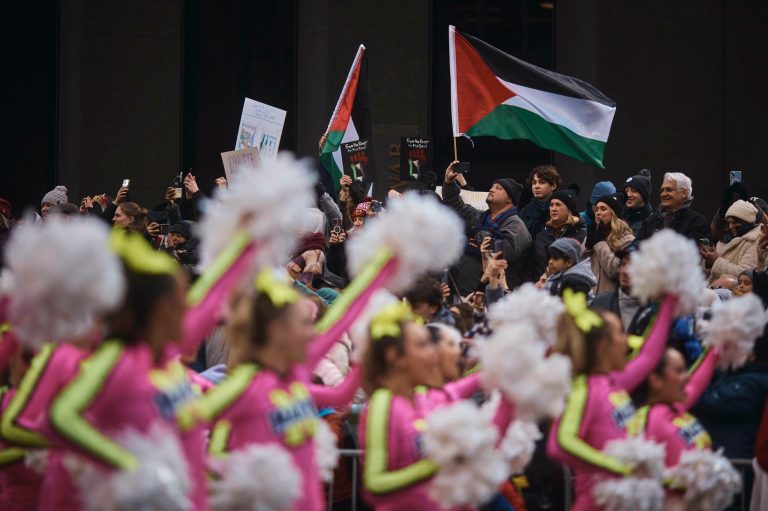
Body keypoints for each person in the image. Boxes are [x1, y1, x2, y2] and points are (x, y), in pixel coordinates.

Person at [178, 271, 361, 511]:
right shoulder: (245, 385)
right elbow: (189, 425)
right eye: (305, 324)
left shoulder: (293, 381)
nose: (313, 333)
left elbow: (341, 396)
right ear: (277, 332)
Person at [359, 302, 513, 511]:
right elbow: (375, 482)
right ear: (396, 357)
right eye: (421, 346)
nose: (432, 354)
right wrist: (441, 462)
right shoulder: (384, 402)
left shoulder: (421, 399)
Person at [547, 290, 677, 511]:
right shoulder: (584, 388)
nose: (626, 340)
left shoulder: (612, 383)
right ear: (603, 345)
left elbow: (649, 355)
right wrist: (621, 468)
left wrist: (670, 298)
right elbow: (559, 444)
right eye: (619, 333)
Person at [442, 161, 531, 294]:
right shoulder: (481, 217)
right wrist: (449, 182)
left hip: (490, 294)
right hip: (460, 287)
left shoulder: (516, 226)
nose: (491, 189)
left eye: (498, 188)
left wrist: (476, 233)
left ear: (510, 200)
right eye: (492, 186)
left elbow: (503, 253)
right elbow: (456, 204)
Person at [526, 186, 587, 284]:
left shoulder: (581, 234)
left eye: (558, 205)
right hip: (540, 290)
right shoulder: (542, 236)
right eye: (551, 205)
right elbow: (530, 269)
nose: (553, 209)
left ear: (569, 209)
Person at [585, 193, 636, 295]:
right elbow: (579, 267)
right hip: (588, 301)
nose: (598, 213)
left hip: (609, 303)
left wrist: (599, 244)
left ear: (614, 213)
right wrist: (587, 247)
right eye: (597, 209)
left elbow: (615, 271)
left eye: (603, 209)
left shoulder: (627, 239)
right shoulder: (592, 235)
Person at [701, 199, 760, 285]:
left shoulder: (756, 241)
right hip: (711, 287)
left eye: (734, 223)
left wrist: (715, 260)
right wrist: (708, 260)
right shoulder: (725, 239)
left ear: (746, 222)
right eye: (728, 223)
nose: (730, 226)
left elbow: (744, 275)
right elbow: (707, 273)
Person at [636, 172, 709, 241]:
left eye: (669, 190)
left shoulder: (697, 222)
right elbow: (636, 247)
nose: (663, 194)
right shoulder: (650, 221)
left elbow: (691, 251)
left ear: (684, 193)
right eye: (662, 190)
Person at [591, 245, 642, 331]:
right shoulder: (600, 304)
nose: (624, 271)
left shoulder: (655, 310)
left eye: (633, 265)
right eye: (623, 264)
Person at [519, 165, 561, 238]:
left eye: (542, 182)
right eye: (534, 183)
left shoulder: (561, 209)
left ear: (553, 186)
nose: (536, 186)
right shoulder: (525, 211)